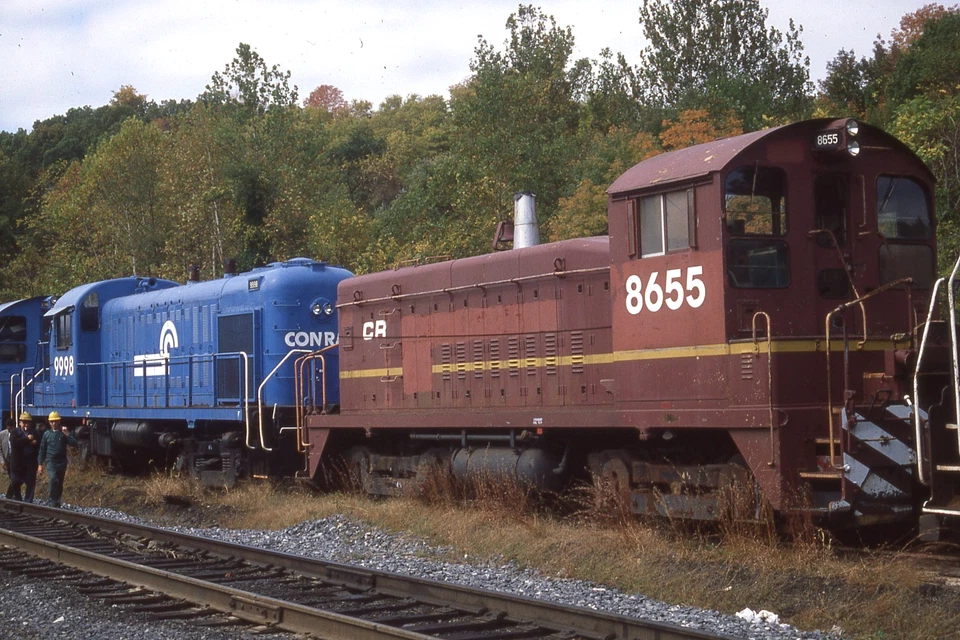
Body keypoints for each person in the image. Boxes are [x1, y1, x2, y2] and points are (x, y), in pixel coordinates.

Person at [37, 411, 78, 508]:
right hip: (51, 461)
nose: (54, 423)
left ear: (59, 421)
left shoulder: (63, 433)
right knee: (53, 479)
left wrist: (67, 434)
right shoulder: (47, 434)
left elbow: (74, 443)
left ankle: (57, 501)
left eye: (55, 421)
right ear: (49, 422)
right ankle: (52, 500)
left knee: (59, 481)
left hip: (62, 461)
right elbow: (42, 449)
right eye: (52, 422)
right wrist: (40, 464)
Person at [7, 412, 39, 501]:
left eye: (28, 422)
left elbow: (39, 444)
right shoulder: (15, 432)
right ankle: (17, 499)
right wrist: (27, 439)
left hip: (30, 463)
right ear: (20, 423)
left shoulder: (34, 432)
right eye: (24, 422)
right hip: (17, 463)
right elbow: (15, 443)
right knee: (15, 482)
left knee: (30, 483)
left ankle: (28, 503)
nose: (26, 425)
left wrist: (35, 443)